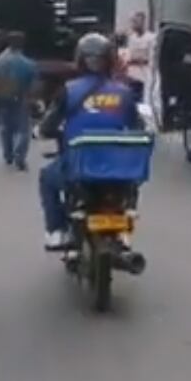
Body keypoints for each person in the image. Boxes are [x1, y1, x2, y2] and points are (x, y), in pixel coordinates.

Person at [38, 33, 142, 248]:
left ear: (80, 60)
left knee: (46, 179)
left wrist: (41, 131)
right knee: (130, 181)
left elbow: (48, 125)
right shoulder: (124, 92)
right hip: (116, 166)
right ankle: (124, 226)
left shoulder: (68, 90)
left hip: (78, 165)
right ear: (110, 60)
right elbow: (138, 127)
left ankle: (56, 230)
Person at [0, 31, 39, 170]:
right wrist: (33, 98)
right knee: (24, 129)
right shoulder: (28, 63)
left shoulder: (2, 60)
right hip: (22, 94)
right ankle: (20, 156)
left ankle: (8, 155)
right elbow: (34, 83)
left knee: (6, 127)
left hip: (5, 92)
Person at [120, 11, 155, 98]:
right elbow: (129, 54)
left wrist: (140, 59)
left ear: (143, 22)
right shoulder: (131, 38)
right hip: (132, 74)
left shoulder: (151, 38)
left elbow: (152, 57)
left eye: (136, 22)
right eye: (133, 21)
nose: (134, 24)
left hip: (145, 74)